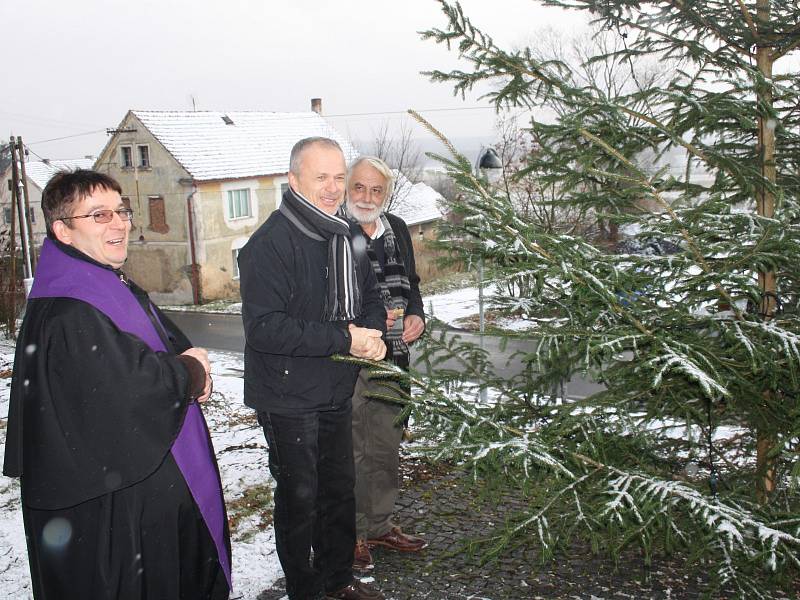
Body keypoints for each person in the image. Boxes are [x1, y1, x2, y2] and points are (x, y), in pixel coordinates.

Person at [2, 169, 231, 599]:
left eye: (121, 210)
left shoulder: (101, 280)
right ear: (63, 231)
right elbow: (129, 390)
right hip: (114, 512)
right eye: (98, 215)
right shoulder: (71, 308)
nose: (119, 223)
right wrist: (192, 373)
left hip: (137, 494)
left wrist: (186, 367)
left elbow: (153, 352)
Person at [238, 138, 387, 600]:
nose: (333, 187)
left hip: (334, 387)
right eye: (321, 177)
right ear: (294, 180)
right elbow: (266, 329)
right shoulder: (270, 243)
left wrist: (375, 333)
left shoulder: (347, 235)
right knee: (300, 497)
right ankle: (304, 589)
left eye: (338, 177)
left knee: (338, 490)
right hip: (286, 395)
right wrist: (347, 338)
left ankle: (337, 579)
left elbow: (371, 299)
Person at [345, 157, 427, 572]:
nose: (367, 198)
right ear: (346, 187)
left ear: (387, 194)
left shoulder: (395, 227)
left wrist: (416, 314)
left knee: (386, 446)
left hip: (394, 358)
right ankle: (352, 534)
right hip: (351, 359)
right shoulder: (335, 232)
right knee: (353, 450)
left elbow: (410, 283)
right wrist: (366, 324)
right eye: (359, 187)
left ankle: (379, 523)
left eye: (377, 190)